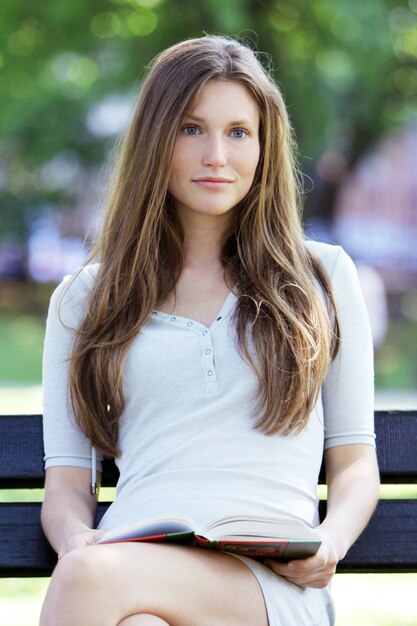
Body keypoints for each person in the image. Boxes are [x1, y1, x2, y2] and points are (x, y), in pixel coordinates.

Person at [40, 34, 379, 626]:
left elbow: (355, 463)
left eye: (238, 132)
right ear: (155, 140)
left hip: (270, 585)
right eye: (192, 129)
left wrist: (332, 540)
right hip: (125, 572)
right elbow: (67, 481)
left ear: (263, 145)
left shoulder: (322, 276)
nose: (217, 155)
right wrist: (75, 541)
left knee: (90, 581)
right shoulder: (85, 298)